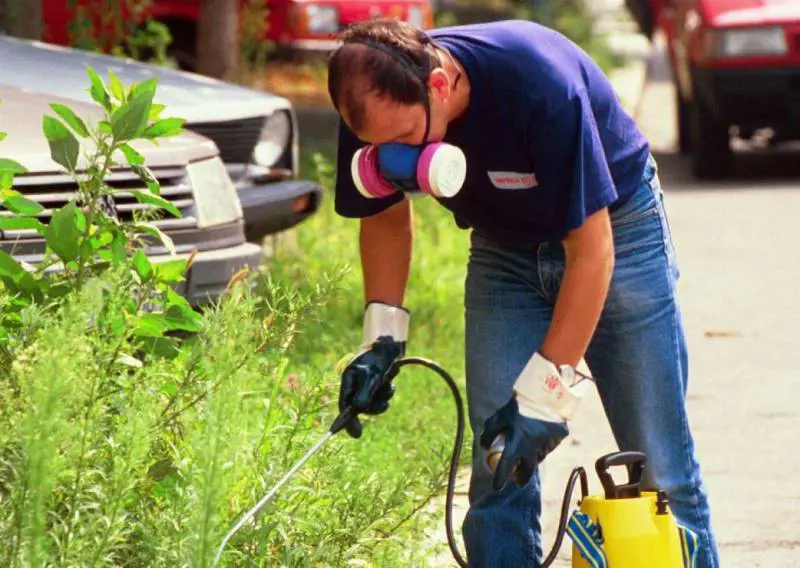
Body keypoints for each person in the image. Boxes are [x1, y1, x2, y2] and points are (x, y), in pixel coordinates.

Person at [328, 17, 719, 568]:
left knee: (662, 470)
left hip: (617, 233)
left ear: (438, 85)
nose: (392, 159)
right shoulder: (370, 102)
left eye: (402, 141)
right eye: (378, 146)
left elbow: (592, 251)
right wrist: (381, 342)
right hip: (504, 250)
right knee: (497, 464)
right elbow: (385, 217)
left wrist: (546, 398)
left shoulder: (538, 83)